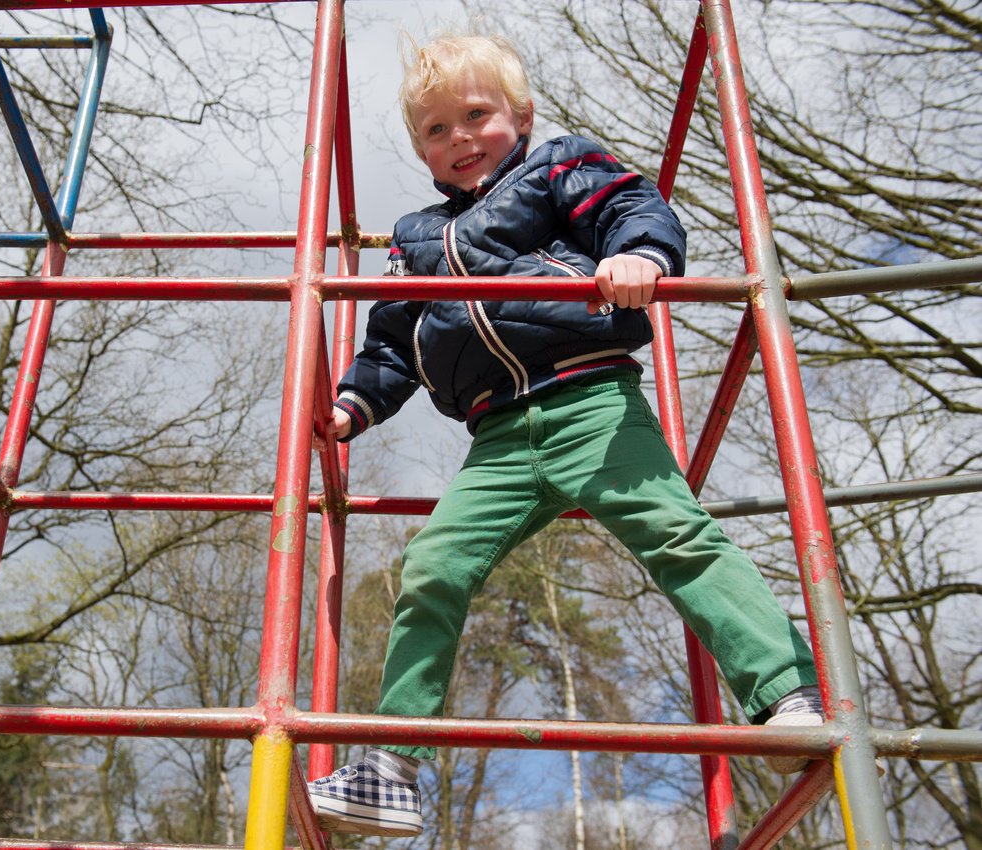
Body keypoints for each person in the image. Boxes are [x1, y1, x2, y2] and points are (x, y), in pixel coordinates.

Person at [306, 33, 823, 838]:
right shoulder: (414, 238)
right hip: (497, 440)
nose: (460, 140)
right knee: (431, 566)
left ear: (520, 115)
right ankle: (393, 765)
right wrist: (350, 408)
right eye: (436, 131)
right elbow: (389, 345)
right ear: (420, 150)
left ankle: (785, 694)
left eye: (476, 116)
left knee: (676, 535)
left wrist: (638, 257)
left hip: (591, 402)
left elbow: (630, 207)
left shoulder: (554, 169)